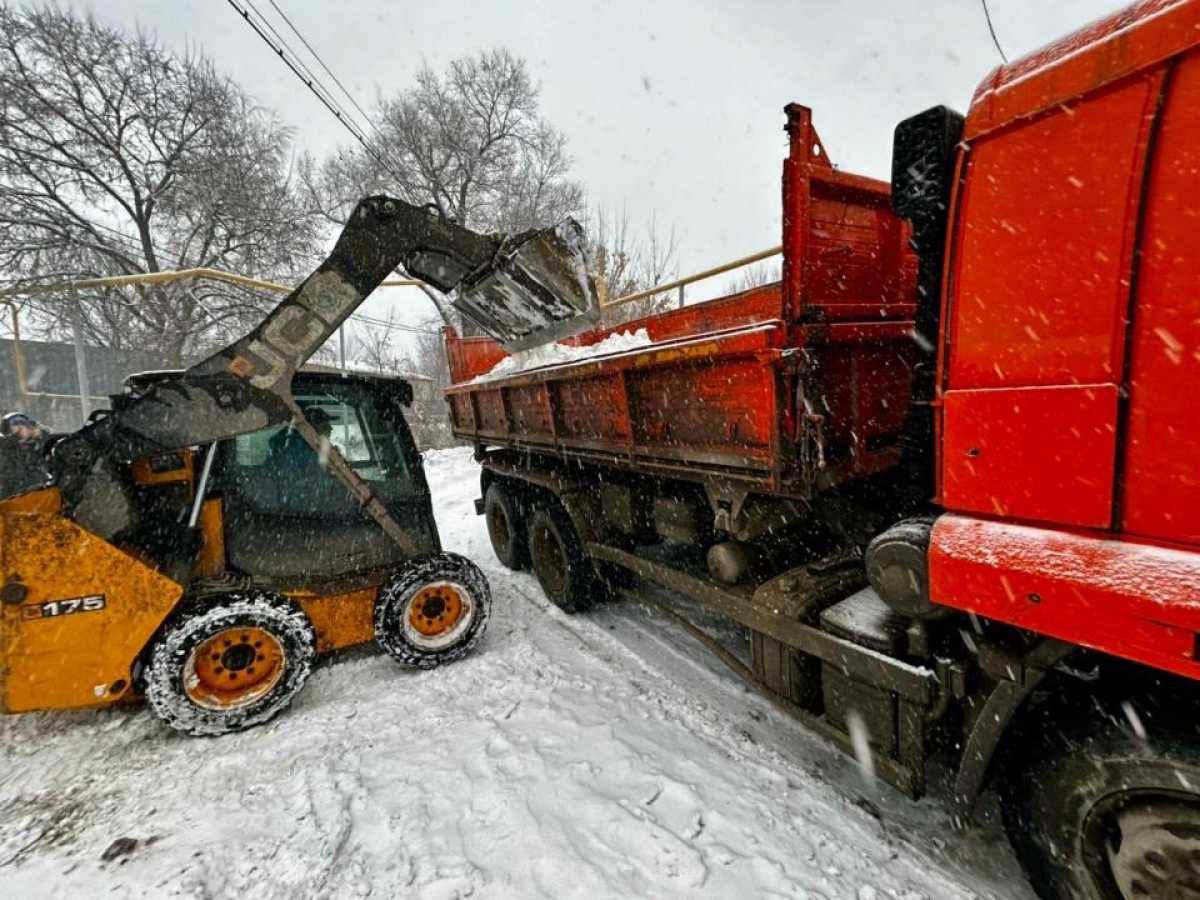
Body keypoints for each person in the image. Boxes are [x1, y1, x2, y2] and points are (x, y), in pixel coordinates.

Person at [0, 412, 52, 498]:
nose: (21, 431)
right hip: (14, 495)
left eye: (22, 426)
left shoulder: (40, 445)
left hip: (40, 492)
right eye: (16, 432)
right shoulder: (8, 448)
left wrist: (41, 435)